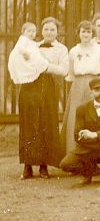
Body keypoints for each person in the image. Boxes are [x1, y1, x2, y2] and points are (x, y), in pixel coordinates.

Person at [9, 20, 67, 179]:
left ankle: (43, 165)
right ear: (41, 31)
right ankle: (27, 166)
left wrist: (45, 66)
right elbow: (17, 59)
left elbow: (63, 70)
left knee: (45, 124)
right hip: (29, 87)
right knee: (28, 124)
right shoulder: (30, 45)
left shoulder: (61, 49)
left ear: (57, 31)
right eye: (46, 29)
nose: (49, 32)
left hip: (47, 88)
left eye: (52, 29)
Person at [59, 76, 100, 186]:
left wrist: (95, 135)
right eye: (97, 90)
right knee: (65, 165)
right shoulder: (82, 108)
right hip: (88, 148)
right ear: (91, 92)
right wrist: (85, 136)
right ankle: (89, 171)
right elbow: (76, 134)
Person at [64, 20, 100, 154]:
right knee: (76, 117)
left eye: (89, 32)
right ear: (79, 33)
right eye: (83, 31)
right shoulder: (73, 51)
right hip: (78, 85)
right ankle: (74, 153)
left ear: (92, 33)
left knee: (95, 115)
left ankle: (96, 155)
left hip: (95, 84)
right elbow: (70, 73)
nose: (86, 34)